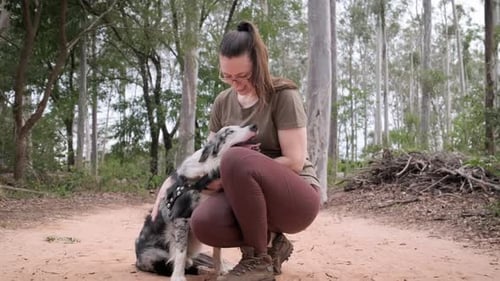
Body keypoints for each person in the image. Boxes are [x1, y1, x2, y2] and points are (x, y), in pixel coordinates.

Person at [152, 20, 321, 281]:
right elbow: (207, 155)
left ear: (259, 65)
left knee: (235, 159)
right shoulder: (222, 102)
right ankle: (274, 243)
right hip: (245, 198)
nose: (235, 83)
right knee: (204, 223)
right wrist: (171, 181)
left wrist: (235, 169)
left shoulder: (283, 95)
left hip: (295, 198)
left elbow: (296, 161)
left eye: (242, 76)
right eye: (227, 76)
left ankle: (257, 260)